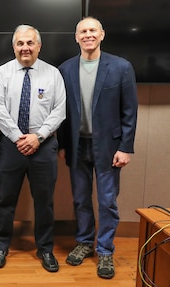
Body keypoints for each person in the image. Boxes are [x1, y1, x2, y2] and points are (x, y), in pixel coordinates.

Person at [57, 16, 138, 279]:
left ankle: (104, 250)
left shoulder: (121, 67)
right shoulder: (65, 69)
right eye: (83, 31)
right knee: (80, 199)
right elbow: (61, 111)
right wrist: (62, 144)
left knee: (107, 202)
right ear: (76, 37)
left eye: (93, 30)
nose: (88, 35)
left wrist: (125, 147)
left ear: (102, 34)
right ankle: (84, 243)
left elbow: (129, 111)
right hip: (77, 146)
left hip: (109, 147)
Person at [0, 24, 66, 272]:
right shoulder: (2, 73)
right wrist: (17, 137)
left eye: (30, 43)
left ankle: (45, 249)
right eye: (20, 43)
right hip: (11, 146)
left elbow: (59, 110)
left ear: (39, 46)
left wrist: (38, 137)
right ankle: (1, 246)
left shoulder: (53, 74)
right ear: (14, 46)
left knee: (44, 202)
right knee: (5, 199)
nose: (25, 48)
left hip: (43, 146)